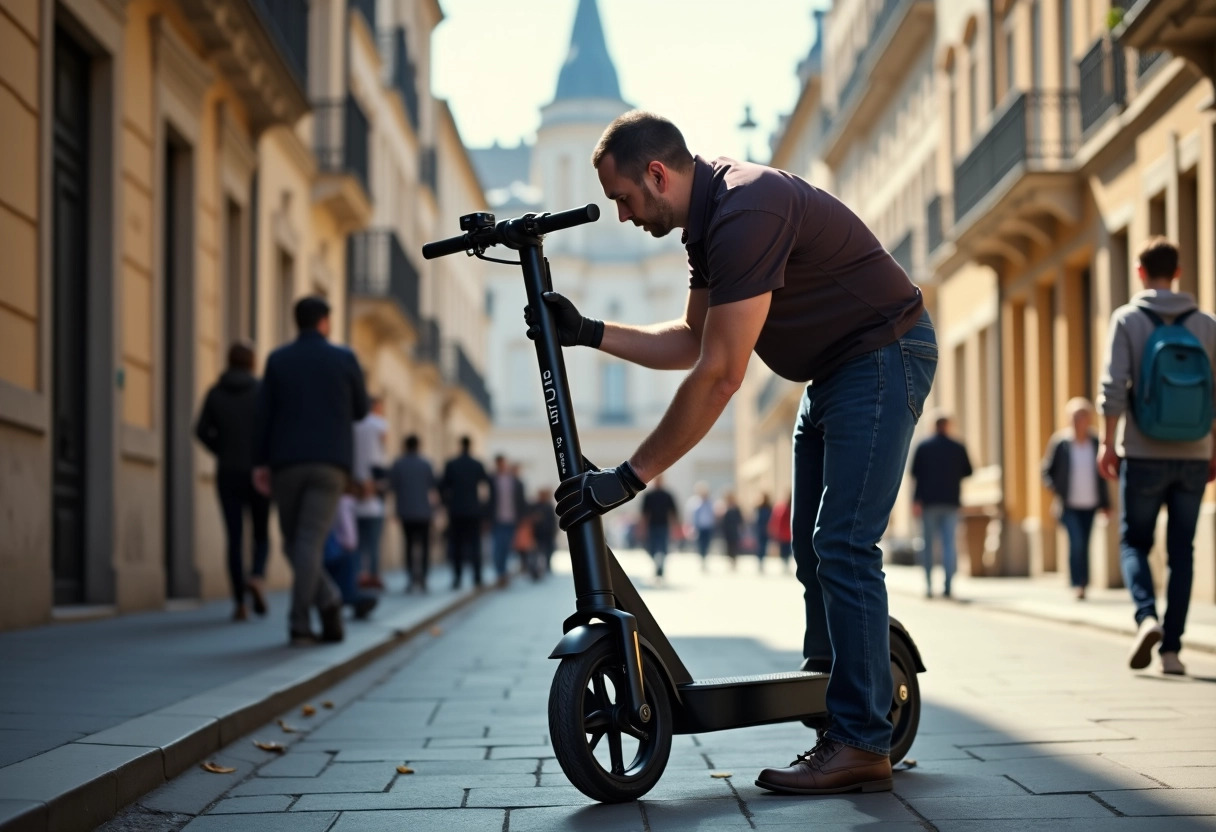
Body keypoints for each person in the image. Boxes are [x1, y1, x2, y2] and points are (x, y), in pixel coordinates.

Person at [528, 111, 934, 794]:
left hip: (882, 355)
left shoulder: (747, 208)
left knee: (843, 544)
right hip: (834, 373)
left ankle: (863, 742)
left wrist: (628, 478)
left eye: (624, 198)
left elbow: (719, 373)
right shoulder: (709, 225)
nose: (623, 217)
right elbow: (691, 339)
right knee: (812, 548)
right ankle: (842, 710)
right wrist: (592, 332)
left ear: (657, 174)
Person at [1097, 237, 1216, 677]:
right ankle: (1172, 651)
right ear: (1178, 272)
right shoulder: (1206, 324)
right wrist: (1211, 449)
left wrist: (1108, 443)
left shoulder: (1128, 319)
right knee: (1182, 549)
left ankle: (1146, 617)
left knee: (1135, 542)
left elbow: (1113, 387)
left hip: (1143, 451)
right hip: (1193, 453)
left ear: (1140, 272)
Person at [254, 295, 370, 646]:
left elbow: (264, 416)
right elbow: (362, 410)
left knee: (296, 542)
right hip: (330, 465)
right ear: (324, 321)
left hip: (286, 463)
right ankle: (328, 598)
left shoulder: (278, 360)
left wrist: (260, 463)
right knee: (303, 543)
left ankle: (300, 622)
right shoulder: (344, 358)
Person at [194, 341, 270, 621]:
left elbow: (200, 430)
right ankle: (258, 576)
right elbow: (272, 429)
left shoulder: (215, 393)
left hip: (227, 473)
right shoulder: (262, 391)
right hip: (259, 473)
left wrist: (222, 450)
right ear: (252, 362)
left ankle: (239, 603)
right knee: (261, 534)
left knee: (234, 538)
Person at [1042, 398, 1110, 600]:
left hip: (1090, 503)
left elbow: (1103, 477)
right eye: (1073, 417)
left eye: (1081, 416)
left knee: (1085, 543)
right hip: (1068, 504)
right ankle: (1077, 583)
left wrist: (1106, 504)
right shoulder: (1061, 443)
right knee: (1077, 542)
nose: (1077, 420)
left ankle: (1083, 583)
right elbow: (1046, 470)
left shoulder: (1096, 442)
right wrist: (1054, 488)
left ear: (1089, 419)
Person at [909, 415, 973, 599]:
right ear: (948, 426)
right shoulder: (958, 447)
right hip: (951, 502)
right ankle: (948, 586)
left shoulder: (923, 447)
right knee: (949, 545)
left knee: (927, 545)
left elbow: (916, 476)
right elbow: (968, 471)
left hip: (928, 503)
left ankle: (929, 586)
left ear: (933, 426)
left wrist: (916, 501)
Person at [388, 434, 437, 593]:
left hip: (406, 511)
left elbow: (392, 487)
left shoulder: (398, 464)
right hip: (424, 512)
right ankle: (423, 577)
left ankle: (410, 577)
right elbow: (433, 488)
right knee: (424, 546)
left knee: (408, 545)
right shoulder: (426, 464)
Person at [440, 436, 490, 589]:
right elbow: (488, 484)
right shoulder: (476, 464)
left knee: (457, 545)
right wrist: (484, 506)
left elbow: (442, 486)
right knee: (475, 545)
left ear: (460, 445)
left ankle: (457, 578)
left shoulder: (452, 464)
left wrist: (447, 503)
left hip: (456, 510)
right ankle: (477, 577)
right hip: (473, 510)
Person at [322, 486, 378, 620]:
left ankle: (348, 596)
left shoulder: (338, 502)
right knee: (346, 561)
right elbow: (348, 535)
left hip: (333, 547)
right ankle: (347, 596)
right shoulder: (344, 502)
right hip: (337, 549)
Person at [352, 398, 389, 589]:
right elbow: (384, 444)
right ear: (376, 406)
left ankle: (359, 575)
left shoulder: (353, 424)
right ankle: (373, 576)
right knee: (374, 543)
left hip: (356, 490)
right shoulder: (379, 423)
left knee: (358, 543)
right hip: (374, 486)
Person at [488, 456, 527, 587]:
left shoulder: (515, 482)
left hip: (511, 520)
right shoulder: (492, 480)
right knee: (497, 547)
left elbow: (521, 501)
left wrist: (522, 519)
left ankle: (503, 572)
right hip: (496, 520)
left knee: (506, 547)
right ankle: (500, 573)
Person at [640, 475, 678, 580]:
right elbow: (644, 513)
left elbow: (673, 512)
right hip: (652, 526)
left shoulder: (667, 495)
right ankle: (657, 564)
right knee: (651, 548)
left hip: (664, 525)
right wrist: (642, 528)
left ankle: (660, 568)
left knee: (664, 547)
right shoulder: (649, 495)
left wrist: (675, 527)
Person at [685, 484, 717, 571]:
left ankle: (705, 558)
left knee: (707, 544)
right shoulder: (695, 502)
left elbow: (713, 514)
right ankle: (702, 559)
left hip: (708, 527)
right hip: (699, 527)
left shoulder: (710, 502)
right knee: (700, 544)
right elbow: (691, 516)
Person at [531, 488, 558, 577]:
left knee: (548, 551)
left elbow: (553, 520)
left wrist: (554, 531)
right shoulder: (535, 506)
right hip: (538, 533)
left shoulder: (549, 506)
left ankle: (547, 566)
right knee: (538, 552)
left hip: (548, 533)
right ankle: (537, 570)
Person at [769, 493, 793, 572]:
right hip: (788, 533)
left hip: (784, 533)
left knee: (784, 549)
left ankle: (785, 563)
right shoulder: (789, 509)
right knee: (786, 549)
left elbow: (778, 521)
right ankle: (785, 563)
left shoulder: (783, 508)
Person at [720, 492, 744, 570]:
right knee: (728, 546)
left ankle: (734, 559)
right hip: (727, 530)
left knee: (734, 545)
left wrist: (741, 528)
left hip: (734, 530)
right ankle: (730, 559)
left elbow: (740, 519)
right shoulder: (724, 507)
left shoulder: (736, 508)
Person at [754, 493, 773, 571]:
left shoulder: (769, 507)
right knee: (760, 546)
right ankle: (760, 561)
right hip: (760, 530)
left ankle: (761, 561)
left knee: (763, 546)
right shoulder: (759, 507)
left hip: (766, 530)